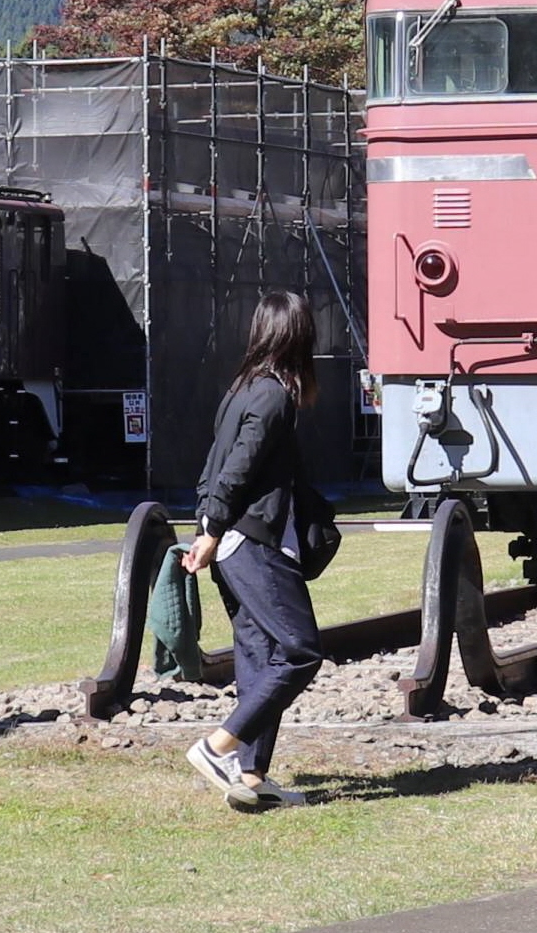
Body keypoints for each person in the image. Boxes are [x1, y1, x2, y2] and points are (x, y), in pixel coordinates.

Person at [179, 289, 330, 812]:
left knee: (260, 656)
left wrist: (207, 526)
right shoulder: (272, 395)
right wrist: (214, 527)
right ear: (298, 337)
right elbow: (237, 468)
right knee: (301, 649)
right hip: (252, 542)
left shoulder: (241, 390)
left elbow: (211, 468)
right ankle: (218, 746)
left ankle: (251, 776)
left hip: (230, 542)